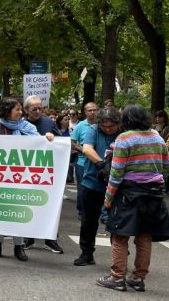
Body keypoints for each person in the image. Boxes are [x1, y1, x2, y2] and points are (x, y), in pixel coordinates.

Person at [96, 105, 169, 292]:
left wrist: (108, 198)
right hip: (154, 194)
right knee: (144, 237)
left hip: (128, 194)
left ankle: (117, 278)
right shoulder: (157, 137)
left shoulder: (124, 138)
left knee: (120, 236)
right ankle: (138, 278)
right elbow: (168, 168)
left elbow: (116, 174)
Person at [0, 97, 54, 262]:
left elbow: (39, 144)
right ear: (8, 111)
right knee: (0, 211)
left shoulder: (28, 128)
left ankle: (19, 246)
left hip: (23, 178)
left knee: (19, 210)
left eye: (21, 109)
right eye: (17, 109)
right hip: (0, 178)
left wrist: (47, 138)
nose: (21, 112)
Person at [72, 106, 121, 266]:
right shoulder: (93, 130)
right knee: (88, 220)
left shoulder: (123, 133)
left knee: (117, 221)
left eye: (111, 126)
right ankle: (86, 253)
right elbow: (87, 148)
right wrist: (101, 164)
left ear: (118, 124)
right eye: (104, 126)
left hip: (117, 185)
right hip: (92, 182)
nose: (107, 129)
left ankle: (120, 255)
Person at [22, 95, 64, 254]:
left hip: (47, 171)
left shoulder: (48, 122)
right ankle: (28, 238)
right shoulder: (20, 124)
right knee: (29, 203)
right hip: (26, 172)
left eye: (41, 108)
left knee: (50, 204)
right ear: (26, 110)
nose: (38, 111)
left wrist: (54, 138)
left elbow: (62, 142)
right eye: (34, 109)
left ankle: (50, 239)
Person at [71, 103, 99, 218]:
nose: (92, 112)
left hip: (98, 162)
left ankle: (95, 211)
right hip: (82, 163)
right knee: (83, 189)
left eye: (95, 110)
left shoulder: (102, 124)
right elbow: (72, 142)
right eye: (90, 110)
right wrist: (83, 150)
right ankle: (82, 211)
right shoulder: (80, 126)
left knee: (96, 188)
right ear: (85, 112)